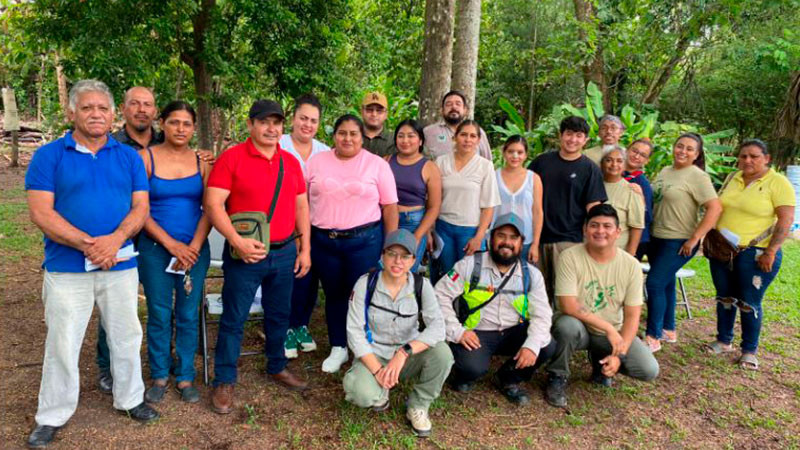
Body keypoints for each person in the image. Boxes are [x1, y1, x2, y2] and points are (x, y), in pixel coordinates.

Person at [25, 79, 159, 448]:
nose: (96, 114)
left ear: (113, 114)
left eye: (102, 108)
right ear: (71, 113)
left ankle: (131, 398)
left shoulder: (129, 157)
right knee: (63, 342)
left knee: (127, 335)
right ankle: (52, 415)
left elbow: (140, 207)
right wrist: (89, 245)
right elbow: (41, 211)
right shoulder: (49, 156)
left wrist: (115, 241)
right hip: (66, 268)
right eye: (87, 108)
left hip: (120, 263)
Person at [205, 100, 312, 415]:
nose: (271, 129)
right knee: (234, 318)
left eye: (277, 123)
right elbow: (214, 205)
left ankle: (276, 365)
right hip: (244, 255)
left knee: (279, 314)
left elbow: (301, 207)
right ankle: (225, 379)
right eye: (264, 122)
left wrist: (304, 248)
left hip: (283, 252)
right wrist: (237, 240)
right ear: (251, 125)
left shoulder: (290, 162)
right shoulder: (232, 158)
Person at [307, 114, 399, 373]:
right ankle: (338, 346)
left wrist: (390, 246)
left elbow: (390, 207)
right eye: (342, 133)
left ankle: (365, 348)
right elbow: (301, 201)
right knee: (334, 294)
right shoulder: (316, 162)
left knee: (363, 295)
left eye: (353, 134)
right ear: (334, 136)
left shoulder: (377, 165)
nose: (347, 138)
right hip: (325, 241)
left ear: (361, 138)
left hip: (365, 241)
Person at [435, 213, 556, 405]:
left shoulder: (531, 274)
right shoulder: (469, 265)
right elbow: (439, 295)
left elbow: (542, 315)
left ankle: (509, 378)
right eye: (501, 235)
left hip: (513, 331)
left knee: (546, 345)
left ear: (521, 243)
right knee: (471, 367)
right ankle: (463, 374)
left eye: (513, 237)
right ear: (490, 238)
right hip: (478, 333)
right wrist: (457, 332)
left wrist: (531, 346)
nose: (506, 242)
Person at [545, 204, 659, 409]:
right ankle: (557, 375)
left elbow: (633, 315)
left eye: (607, 226)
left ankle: (602, 363)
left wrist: (618, 355)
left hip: (611, 333)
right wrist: (607, 328)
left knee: (648, 369)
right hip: (579, 327)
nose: (600, 231)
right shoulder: (570, 257)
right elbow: (568, 304)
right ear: (584, 229)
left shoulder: (631, 265)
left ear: (618, 232)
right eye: (594, 225)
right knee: (566, 326)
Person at [136, 101, 211, 404]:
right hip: (155, 249)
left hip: (194, 251)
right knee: (159, 312)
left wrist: (192, 246)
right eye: (174, 122)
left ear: (193, 128)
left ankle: (185, 375)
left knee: (188, 312)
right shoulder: (145, 158)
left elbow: (211, 207)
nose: (181, 129)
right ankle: (159, 373)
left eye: (187, 124)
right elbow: (139, 210)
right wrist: (171, 244)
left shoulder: (203, 162)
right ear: (162, 124)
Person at [343, 229, 453, 437]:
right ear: (382, 255)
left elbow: (438, 327)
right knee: (360, 393)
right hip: (374, 354)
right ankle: (380, 389)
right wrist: (377, 370)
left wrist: (404, 352)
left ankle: (418, 405)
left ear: (413, 261)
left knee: (443, 354)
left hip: (407, 356)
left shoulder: (422, 285)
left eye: (405, 256)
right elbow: (354, 332)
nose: (397, 261)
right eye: (392, 253)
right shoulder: (366, 283)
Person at [705, 140, 796, 370]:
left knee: (749, 302)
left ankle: (749, 350)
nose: (747, 160)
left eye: (754, 156)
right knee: (724, 297)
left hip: (755, 253)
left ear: (767, 158)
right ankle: (723, 340)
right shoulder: (732, 178)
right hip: (723, 250)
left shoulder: (778, 183)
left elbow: (785, 220)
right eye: (743, 156)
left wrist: (771, 251)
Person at [645, 133, 722, 352]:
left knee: (654, 283)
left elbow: (715, 208)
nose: (682, 151)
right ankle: (668, 330)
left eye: (689, 149)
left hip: (679, 240)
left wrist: (695, 238)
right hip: (657, 237)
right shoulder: (665, 171)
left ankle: (652, 337)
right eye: (680, 146)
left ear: (696, 154)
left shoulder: (697, 176)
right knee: (667, 283)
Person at [529, 116, 607, 301]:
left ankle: (563, 329)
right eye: (569, 134)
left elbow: (594, 207)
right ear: (560, 135)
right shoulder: (541, 162)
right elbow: (525, 192)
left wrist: (593, 239)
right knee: (537, 291)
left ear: (586, 140)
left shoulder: (589, 169)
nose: (573, 139)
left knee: (564, 292)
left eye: (579, 135)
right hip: (537, 238)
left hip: (569, 240)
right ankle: (540, 329)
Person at [279, 93, 331, 359]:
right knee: (289, 276)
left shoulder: (325, 152)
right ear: (293, 119)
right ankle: (285, 327)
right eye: (303, 118)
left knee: (309, 277)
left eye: (313, 120)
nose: (307, 125)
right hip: (283, 224)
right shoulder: (278, 144)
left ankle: (301, 325)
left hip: (315, 223)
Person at [432, 119, 501, 283]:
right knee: (446, 277)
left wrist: (478, 237)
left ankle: (465, 310)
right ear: (454, 137)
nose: (467, 140)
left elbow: (488, 206)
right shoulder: (441, 162)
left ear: (478, 140)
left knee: (469, 278)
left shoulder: (485, 166)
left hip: (470, 231)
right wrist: (430, 230)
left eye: (472, 136)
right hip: (443, 228)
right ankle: (444, 309)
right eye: (463, 135)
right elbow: (432, 199)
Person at [386, 119, 442, 273]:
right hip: (386, 221)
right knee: (385, 269)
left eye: (411, 136)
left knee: (405, 272)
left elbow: (434, 207)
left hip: (414, 224)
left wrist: (418, 236)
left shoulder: (429, 167)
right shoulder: (386, 161)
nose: (405, 140)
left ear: (420, 141)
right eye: (401, 136)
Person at [493, 135, 543, 264]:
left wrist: (535, 244)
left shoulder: (534, 179)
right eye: (510, 151)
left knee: (524, 278)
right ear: (504, 153)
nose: (515, 156)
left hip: (525, 239)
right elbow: (486, 208)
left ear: (526, 155)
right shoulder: (494, 176)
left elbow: (537, 212)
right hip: (498, 239)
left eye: (520, 152)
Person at [600, 146, 645, 255]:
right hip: (590, 250)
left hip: (617, 252)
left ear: (625, 165)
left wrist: (630, 255)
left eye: (619, 161)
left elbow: (637, 227)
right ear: (602, 163)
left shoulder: (632, 191)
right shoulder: (592, 185)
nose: (614, 164)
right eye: (609, 160)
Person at [423, 90, 492, 160]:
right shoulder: (428, 132)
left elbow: (488, 162)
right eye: (449, 104)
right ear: (442, 110)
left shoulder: (477, 132)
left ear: (465, 110)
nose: (454, 107)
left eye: (458, 104)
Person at [623, 139, 654, 259]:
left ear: (646, 161)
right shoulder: (615, 174)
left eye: (642, 155)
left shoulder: (642, 183)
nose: (636, 156)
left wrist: (641, 200)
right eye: (634, 151)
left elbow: (647, 217)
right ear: (626, 150)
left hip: (636, 240)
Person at [112, 86, 163, 150]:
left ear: (155, 112)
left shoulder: (166, 143)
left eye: (147, 104)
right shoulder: (109, 145)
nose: (141, 109)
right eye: (134, 103)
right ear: (122, 109)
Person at [361, 92, 396, 157]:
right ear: (362, 111)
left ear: (386, 114)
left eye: (379, 111)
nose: (374, 114)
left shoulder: (394, 140)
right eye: (369, 110)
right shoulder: (352, 138)